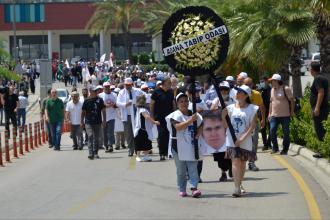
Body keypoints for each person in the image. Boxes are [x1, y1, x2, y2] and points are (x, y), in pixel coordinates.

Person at [222, 85, 258, 197]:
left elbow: (252, 126)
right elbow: (225, 126)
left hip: (245, 140)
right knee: (235, 162)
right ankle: (237, 188)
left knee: (242, 164)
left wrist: (242, 138)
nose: (237, 94)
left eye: (240, 92)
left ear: (246, 95)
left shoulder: (253, 108)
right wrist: (223, 117)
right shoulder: (230, 108)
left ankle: (240, 183)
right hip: (232, 139)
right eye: (237, 92)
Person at [166, 93, 203, 198]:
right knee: (181, 170)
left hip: (191, 145)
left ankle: (194, 188)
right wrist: (190, 120)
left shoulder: (194, 113)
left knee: (193, 167)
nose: (184, 103)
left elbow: (201, 124)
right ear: (177, 104)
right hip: (177, 145)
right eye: (181, 101)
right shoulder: (174, 115)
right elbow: (178, 127)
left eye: (186, 101)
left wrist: (198, 133)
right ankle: (182, 189)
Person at [200, 110, 232, 182]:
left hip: (226, 138)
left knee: (229, 156)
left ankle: (231, 168)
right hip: (217, 145)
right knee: (220, 158)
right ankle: (223, 173)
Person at [268, 74, 294, 155]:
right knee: (272, 131)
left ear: (277, 81)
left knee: (286, 133)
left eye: (272, 81)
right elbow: (271, 102)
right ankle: (275, 148)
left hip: (285, 115)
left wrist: (292, 111)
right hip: (274, 115)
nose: (271, 82)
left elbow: (292, 101)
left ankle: (285, 149)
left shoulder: (286, 89)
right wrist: (269, 113)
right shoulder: (272, 90)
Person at [151, 77, 175, 160]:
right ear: (164, 84)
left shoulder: (171, 92)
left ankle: (167, 152)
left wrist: (175, 114)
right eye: (169, 83)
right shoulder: (156, 92)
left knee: (168, 135)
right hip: (159, 118)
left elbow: (173, 104)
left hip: (169, 117)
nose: (170, 85)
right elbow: (152, 104)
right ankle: (161, 153)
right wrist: (152, 116)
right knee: (161, 134)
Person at [244, 77, 265, 171]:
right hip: (242, 124)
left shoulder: (257, 94)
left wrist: (263, 119)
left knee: (254, 143)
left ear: (252, 85)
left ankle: (252, 162)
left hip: (254, 123)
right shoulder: (240, 94)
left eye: (249, 84)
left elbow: (262, 107)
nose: (248, 86)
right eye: (246, 84)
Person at [116, 78, 141, 157]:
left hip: (136, 115)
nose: (127, 86)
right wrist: (125, 104)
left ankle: (138, 148)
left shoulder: (137, 91)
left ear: (132, 84)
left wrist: (137, 103)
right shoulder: (121, 92)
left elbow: (143, 98)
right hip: (126, 116)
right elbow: (117, 103)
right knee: (128, 133)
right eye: (126, 85)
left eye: (129, 85)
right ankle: (131, 148)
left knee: (136, 132)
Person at [310, 62, 329, 158]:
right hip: (324, 108)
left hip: (320, 109)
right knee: (322, 129)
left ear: (312, 70)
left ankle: (322, 151)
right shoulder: (323, 77)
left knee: (319, 129)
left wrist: (317, 108)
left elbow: (320, 92)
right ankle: (324, 149)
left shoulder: (317, 79)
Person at [81, 86, 106, 160]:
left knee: (96, 138)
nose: (95, 92)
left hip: (98, 122)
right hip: (88, 122)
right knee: (90, 136)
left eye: (96, 91)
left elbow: (103, 110)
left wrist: (104, 120)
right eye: (93, 91)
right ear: (90, 92)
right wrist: (81, 121)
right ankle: (90, 153)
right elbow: (83, 112)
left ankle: (95, 153)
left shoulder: (100, 100)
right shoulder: (86, 101)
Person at [134, 94, 160, 162]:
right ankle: (138, 156)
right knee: (140, 143)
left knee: (146, 143)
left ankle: (145, 156)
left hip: (145, 130)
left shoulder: (140, 109)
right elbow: (147, 117)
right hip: (141, 129)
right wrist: (154, 122)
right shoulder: (142, 109)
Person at [99, 82, 117, 153]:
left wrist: (114, 105)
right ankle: (106, 145)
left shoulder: (114, 95)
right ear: (103, 88)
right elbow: (100, 106)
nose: (107, 88)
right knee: (104, 132)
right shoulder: (100, 95)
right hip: (103, 117)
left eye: (108, 86)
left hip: (112, 116)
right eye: (105, 87)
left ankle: (110, 145)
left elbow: (117, 104)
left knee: (110, 132)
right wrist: (107, 105)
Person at [258, 75, 272, 150]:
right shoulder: (260, 90)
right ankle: (265, 144)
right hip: (262, 110)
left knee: (271, 127)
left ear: (267, 81)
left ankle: (269, 143)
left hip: (270, 110)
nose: (262, 83)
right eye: (261, 81)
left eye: (263, 81)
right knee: (263, 127)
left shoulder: (271, 89)